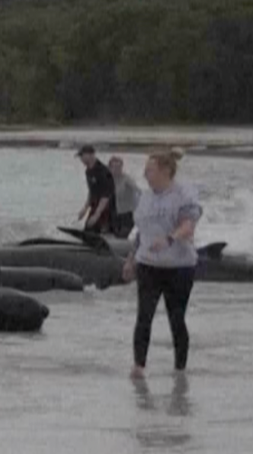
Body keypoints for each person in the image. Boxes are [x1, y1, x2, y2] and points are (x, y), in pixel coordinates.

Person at [122, 150, 203, 378]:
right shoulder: (145, 197)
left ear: (165, 171)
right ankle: (139, 366)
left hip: (179, 267)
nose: (145, 174)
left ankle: (180, 368)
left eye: (150, 170)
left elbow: (189, 227)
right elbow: (141, 232)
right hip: (148, 266)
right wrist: (131, 260)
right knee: (144, 316)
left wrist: (169, 238)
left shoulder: (182, 194)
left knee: (176, 318)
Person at [76, 145, 117, 235]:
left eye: (82, 156)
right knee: (88, 228)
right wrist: (85, 209)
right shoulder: (88, 172)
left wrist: (97, 215)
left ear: (90, 155)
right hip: (96, 206)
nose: (81, 159)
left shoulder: (103, 171)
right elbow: (91, 191)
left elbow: (106, 195)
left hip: (107, 208)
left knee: (99, 229)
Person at [107, 156, 140, 239]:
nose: (117, 169)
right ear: (109, 168)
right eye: (114, 167)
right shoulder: (107, 180)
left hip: (127, 215)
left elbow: (137, 190)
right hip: (114, 214)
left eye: (119, 167)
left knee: (121, 236)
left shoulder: (127, 179)